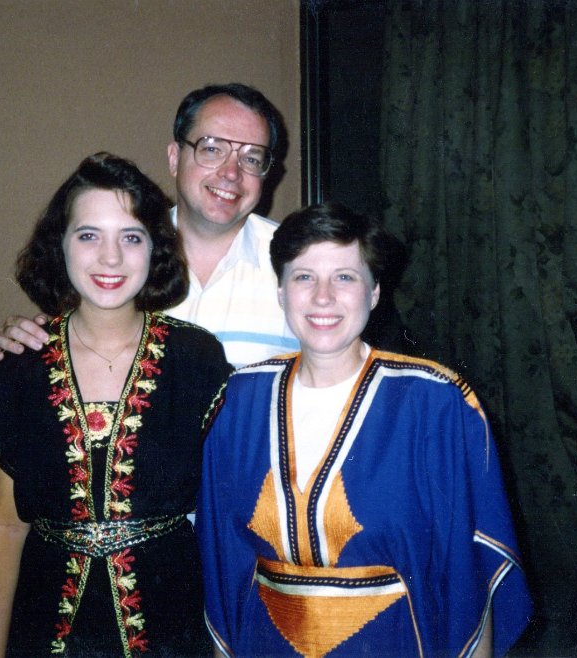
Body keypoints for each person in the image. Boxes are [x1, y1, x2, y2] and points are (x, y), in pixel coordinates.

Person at [196, 203, 532, 657]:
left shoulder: (434, 402)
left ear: (374, 293)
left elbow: (472, 571)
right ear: (280, 292)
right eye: (304, 276)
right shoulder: (239, 399)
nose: (323, 297)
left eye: (345, 277)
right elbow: (222, 561)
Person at [0, 153, 231, 657]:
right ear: (59, 245)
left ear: (155, 248)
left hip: (170, 624)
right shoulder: (20, 367)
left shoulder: (198, 360)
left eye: (131, 237)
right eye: (88, 235)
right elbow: (7, 524)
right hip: (46, 626)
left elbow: (226, 515)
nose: (110, 258)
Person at [0, 83, 299, 368]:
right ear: (174, 157)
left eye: (251, 158)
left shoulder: (300, 264)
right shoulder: (117, 258)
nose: (231, 173)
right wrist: (27, 341)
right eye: (212, 149)